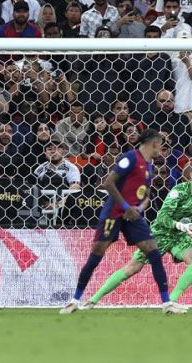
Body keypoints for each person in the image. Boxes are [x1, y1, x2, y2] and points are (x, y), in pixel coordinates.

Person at [84, 159, 192, 309]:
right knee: (132, 268)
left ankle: (171, 301)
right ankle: (93, 300)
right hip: (160, 233)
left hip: (179, 237)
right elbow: (162, 217)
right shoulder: (179, 191)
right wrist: (179, 225)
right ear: (191, 174)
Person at [61, 129, 174, 314]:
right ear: (154, 143)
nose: (161, 149)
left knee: (153, 251)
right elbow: (108, 183)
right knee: (96, 254)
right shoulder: (130, 158)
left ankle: (167, 304)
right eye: (161, 145)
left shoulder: (149, 166)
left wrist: (138, 209)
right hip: (113, 213)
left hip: (132, 217)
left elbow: (146, 197)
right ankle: (74, 300)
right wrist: (125, 205)